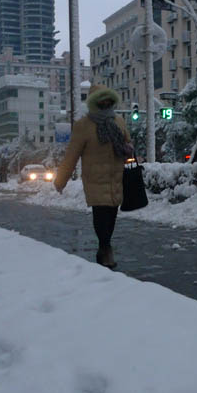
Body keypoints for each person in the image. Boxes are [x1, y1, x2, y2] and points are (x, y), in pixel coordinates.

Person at [55, 86, 133, 269]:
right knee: (101, 215)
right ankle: (106, 249)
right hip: (95, 179)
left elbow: (127, 142)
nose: (105, 104)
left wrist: (128, 148)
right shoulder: (83, 125)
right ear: (94, 103)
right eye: (101, 101)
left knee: (112, 215)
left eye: (108, 101)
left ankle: (103, 248)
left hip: (115, 177)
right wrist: (61, 180)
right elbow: (71, 155)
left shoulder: (119, 121)